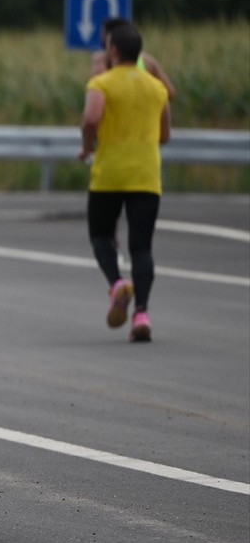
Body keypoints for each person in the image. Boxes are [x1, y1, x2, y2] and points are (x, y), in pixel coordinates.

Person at [79, 22, 171, 342]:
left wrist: (87, 145)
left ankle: (118, 284)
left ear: (113, 50)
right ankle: (142, 314)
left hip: (110, 174)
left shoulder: (100, 83)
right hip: (146, 175)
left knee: (102, 236)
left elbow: (91, 118)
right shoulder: (156, 88)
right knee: (141, 248)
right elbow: (165, 135)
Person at [90, 17, 177, 101]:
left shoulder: (102, 60)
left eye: (103, 34)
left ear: (109, 38)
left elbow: (97, 93)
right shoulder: (147, 61)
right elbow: (170, 93)